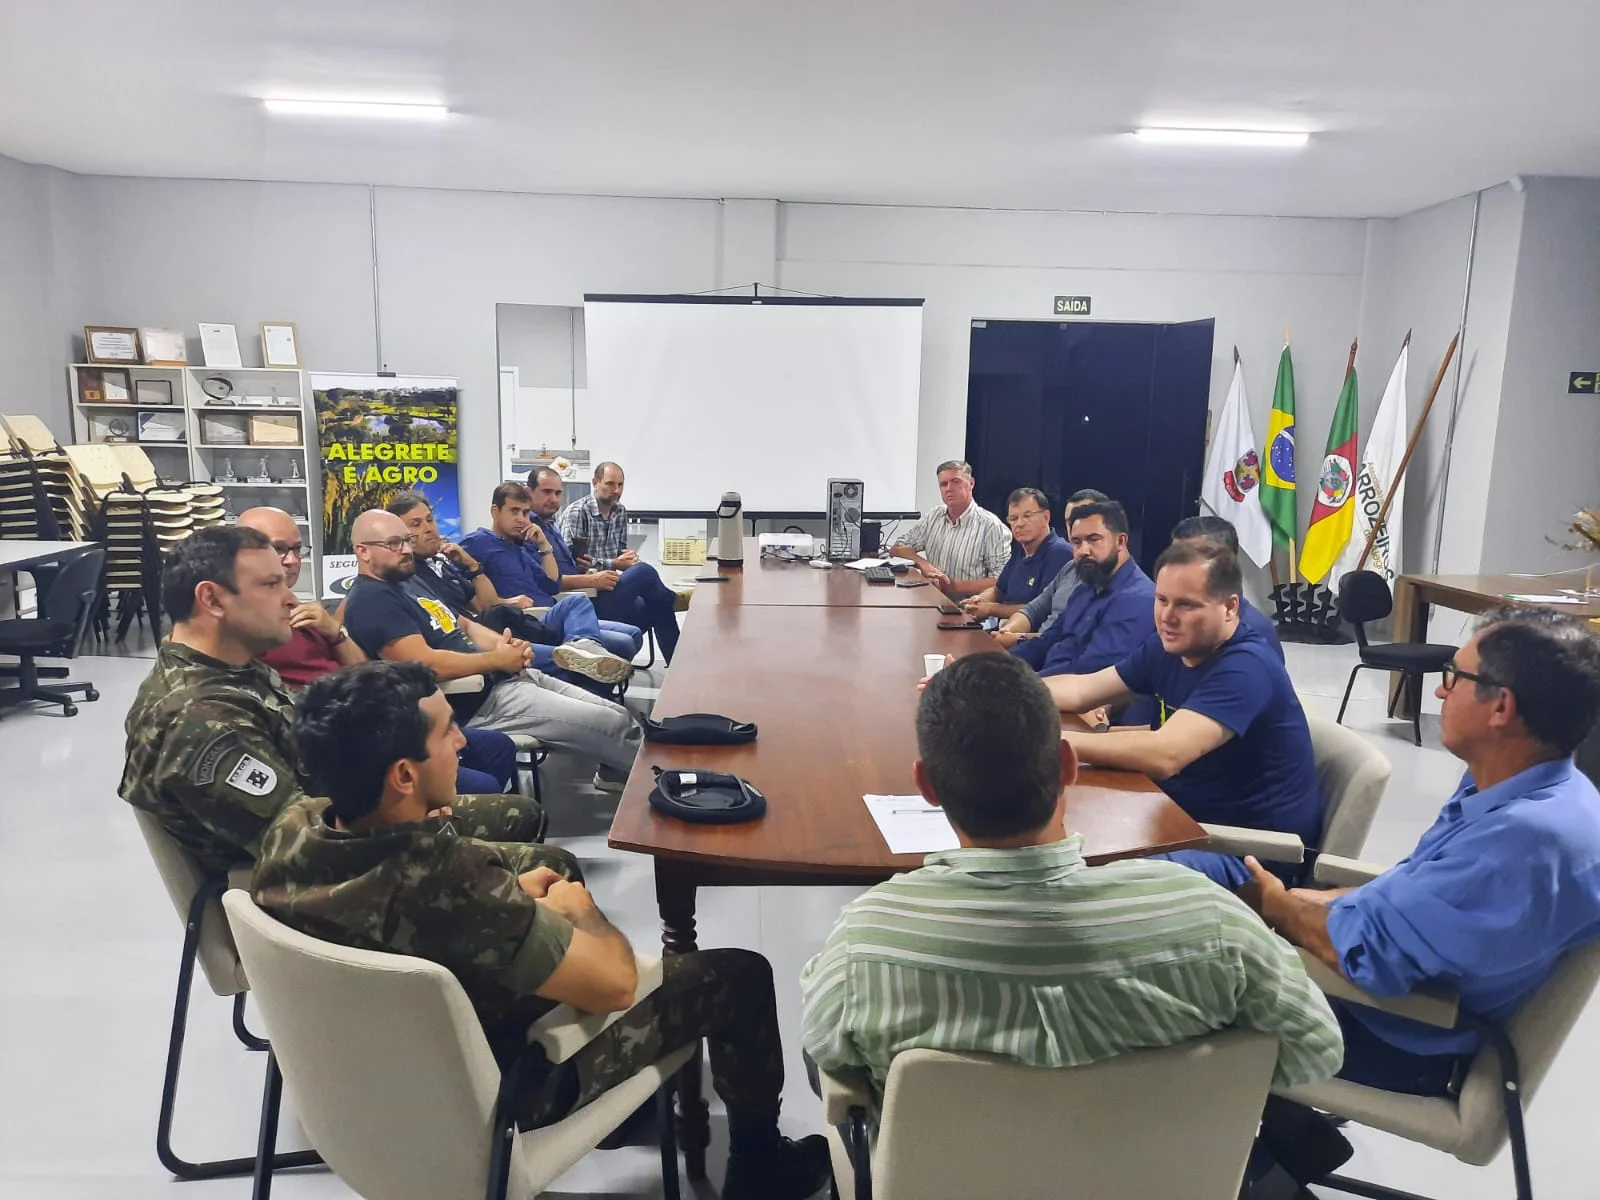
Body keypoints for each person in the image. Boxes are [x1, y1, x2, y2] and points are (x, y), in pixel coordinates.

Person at [256, 661, 831, 1199]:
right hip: (502, 1091)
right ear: (404, 775)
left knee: (546, 872)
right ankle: (760, 1169)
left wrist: (507, 897)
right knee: (741, 976)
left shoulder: (294, 828)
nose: (462, 742)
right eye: (447, 732)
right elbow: (615, 985)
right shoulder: (449, 881)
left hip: (370, 1078)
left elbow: (421, 906)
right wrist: (581, 914)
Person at [800, 652, 1341, 1117]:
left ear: (927, 785)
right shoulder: (1211, 920)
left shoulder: (865, 945)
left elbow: (827, 1049)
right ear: (1067, 764)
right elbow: (1315, 1050)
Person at [1245, 609, 1600, 1183]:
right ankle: (1274, 1153)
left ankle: (1227, 1169)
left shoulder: (1526, 839)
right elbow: (1413, 888)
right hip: (1385, 1002)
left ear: (1501, 707)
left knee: (1167, 981)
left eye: (1454, 678)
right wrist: (1311, 904)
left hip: (1390, 1035)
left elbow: (1368, 958)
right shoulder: (1522, 786)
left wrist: (1279, 906)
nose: (1439, 690)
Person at [120, 527, 542, 877]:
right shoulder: (198, 717)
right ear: (211, 600)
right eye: (270, 585)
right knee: (550, 864)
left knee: (523, 814)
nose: (290, 598)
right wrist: (412, 818)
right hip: (321, 882)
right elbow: (304, 846)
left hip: (344, 819)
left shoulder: (235, 668)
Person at [1043, 542, 1322, 887]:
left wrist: (1052, 743)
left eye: (1186, 605)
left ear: (1230, 607)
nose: (1167, 616)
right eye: (1162, 600)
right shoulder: (1169, 647)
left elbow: (1166, 754)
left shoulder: (1246, 667)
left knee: (1082, 877)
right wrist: (1004, 696)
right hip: (1182, 820)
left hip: (1247, 856)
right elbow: (1083, 690)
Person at [340, 508, 643, 790]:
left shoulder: (408, 582)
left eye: (406, 541)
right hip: (479, 702)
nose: (406, 550)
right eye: (394, 544)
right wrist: (496, 659)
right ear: (362, 551)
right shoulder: (372, 599)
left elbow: (465, 624)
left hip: (505, 678)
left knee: (615, 711)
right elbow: (423, 664)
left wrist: (504, 645)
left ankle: (617, 773)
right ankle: (659, 787)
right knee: (613, 724)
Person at [238, 506, 522, 795]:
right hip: (345, 740)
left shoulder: (308, 611)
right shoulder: (247, 626)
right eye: (279, 549)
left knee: (496, 748)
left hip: (379, 716)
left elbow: (363, 669)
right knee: (484, 784)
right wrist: (496, 659)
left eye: (297, 549)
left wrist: (335, 633)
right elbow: (421, 663)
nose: (291, 560)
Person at [385, 491, 635, 687]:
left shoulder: (512, 547)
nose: (428, 528)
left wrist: (473, 566)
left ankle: (583, 648)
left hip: (532, 618)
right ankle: (581, 657)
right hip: (499, 632)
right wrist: (507, 606)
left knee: (579, 604)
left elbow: (550, 583)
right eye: (416, 524)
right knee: (617, 644)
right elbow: (483, 613)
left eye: (430, 520)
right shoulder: (414, 572)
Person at [451, 483, 644, 662]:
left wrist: (544, 544)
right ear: (495, 511)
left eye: (525, 513)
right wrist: (505, 602)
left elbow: (553, 584)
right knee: (618, 637)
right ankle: (583, 651)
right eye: (514, 511)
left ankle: (584, 652)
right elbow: (457, 593)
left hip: (552, 613)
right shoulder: (476, 542)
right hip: (528, 619)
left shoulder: (520, 548)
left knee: (633, 634)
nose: (521, 519)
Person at [1011, 501, 1155, 690]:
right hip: (1045, 685)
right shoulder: (1086, 587)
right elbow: (1047, 640)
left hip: (1076, 698)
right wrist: (1001, 664)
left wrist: (1017, 685)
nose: (1083, 551)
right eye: (1077, 542)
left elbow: (1089, 672)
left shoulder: (1137, 600)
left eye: (1094, 539)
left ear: (1121, 542)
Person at [991, 488, 1107, 650]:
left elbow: (1066, 638)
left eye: (1085, 519)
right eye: (1071, 521)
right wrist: (1007, 631)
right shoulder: (1070, 568)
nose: (1076, 527)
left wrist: (1016, 638)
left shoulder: (1064, 555)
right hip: (1031, 648)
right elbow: (1034, 609)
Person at [888, 460, 1011, 598]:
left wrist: (953, 587)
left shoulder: (992, 527)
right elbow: (897, 548)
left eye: (955, 482)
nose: (949, 488)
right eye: (943, 484)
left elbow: (1001, 582)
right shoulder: (934, 516)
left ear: (971, 483)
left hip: (968, 607)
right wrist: (923, 564)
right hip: (932, 601)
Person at [1170, 514, 1283, 661]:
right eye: (1172, 558)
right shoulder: (1171, 619)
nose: (1175, 568)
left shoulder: (1253, 633)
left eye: (1186, 560)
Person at [960, 487, 1073, 622]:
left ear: (1046, 517)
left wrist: (990, 609)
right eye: (1013, 518)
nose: (1019, 524)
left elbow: (1040, 609)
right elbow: (998, 590)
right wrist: (978, 600)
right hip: (1004, 628)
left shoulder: (1060, 553)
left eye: (1027, 516)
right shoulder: (1021, 551)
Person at [557, 460, 638, 571]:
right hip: (584, 579)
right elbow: (575, 561)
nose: (617, 490)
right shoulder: (578, 512)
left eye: (620, 485)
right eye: (610, 484)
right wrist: (613, 564)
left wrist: (630, 558)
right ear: (595, 483)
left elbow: (620, 551)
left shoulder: (620, 511)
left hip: (610, 577)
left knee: (645, 571)